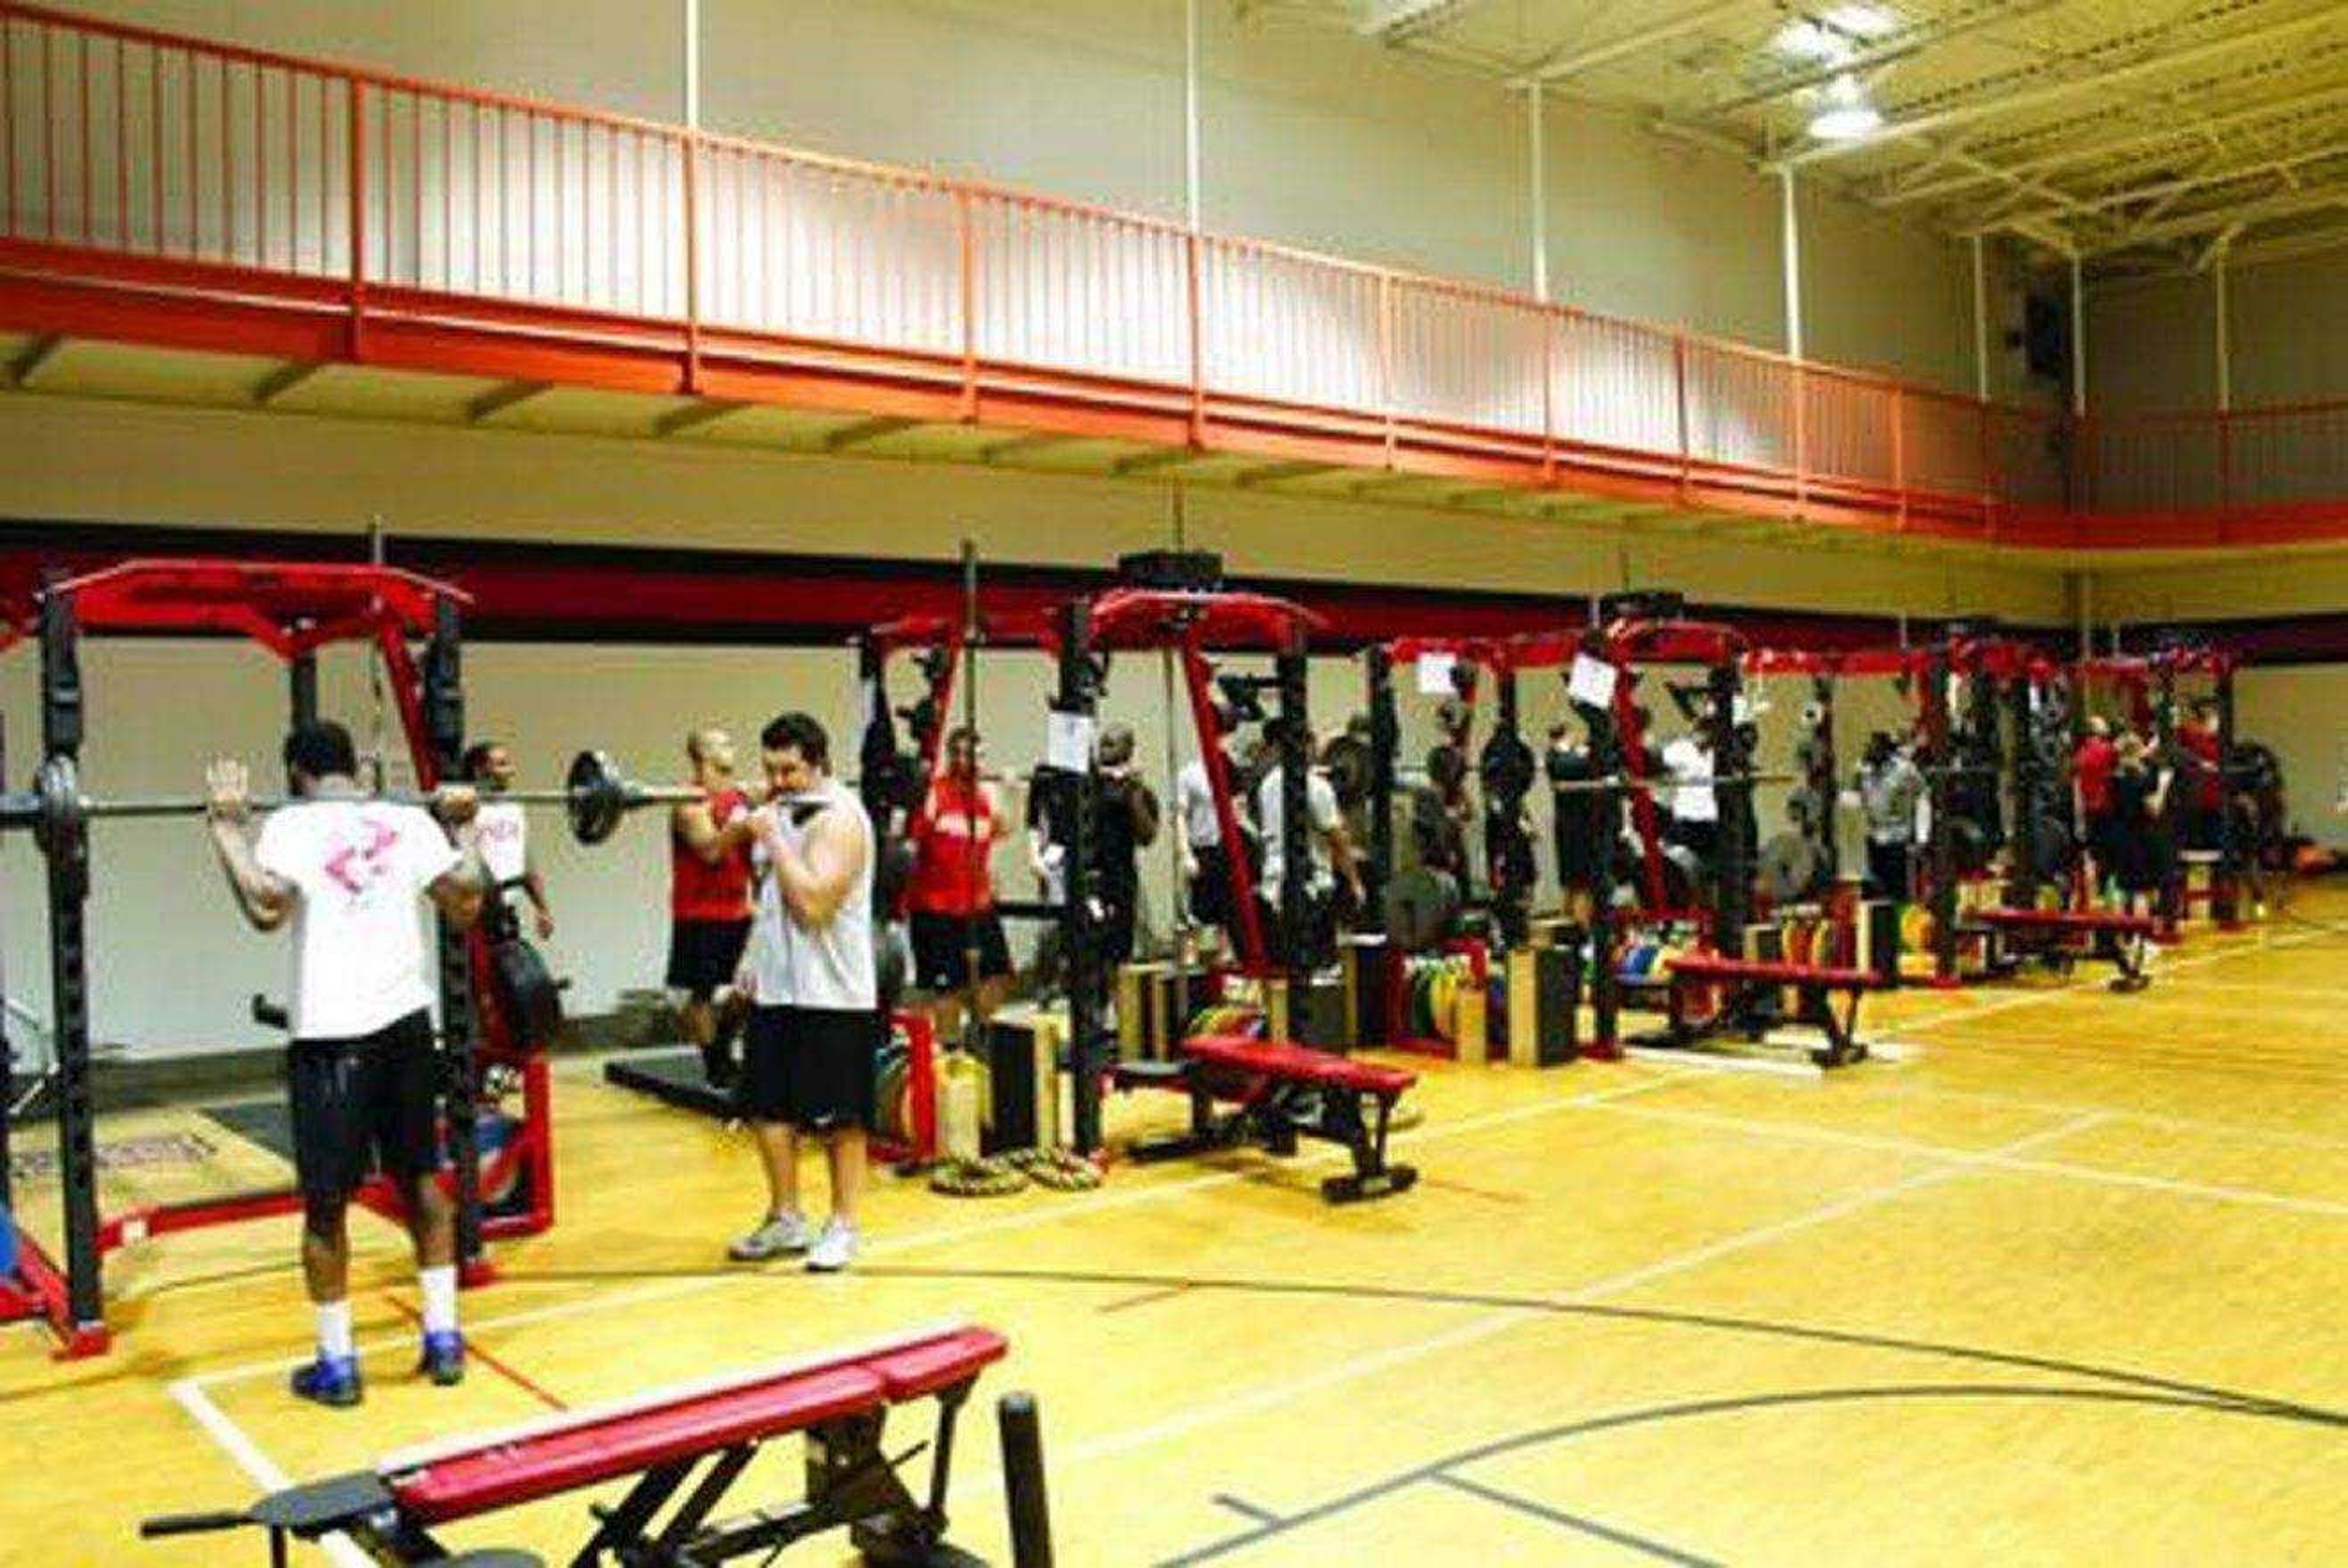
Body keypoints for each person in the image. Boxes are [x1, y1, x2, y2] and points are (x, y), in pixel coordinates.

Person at [204, 720, 489, 1408]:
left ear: (297, 773)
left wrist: (226, 832)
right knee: (422, 1182)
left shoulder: (292, 827)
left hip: (333, 1037)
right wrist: (466, 827)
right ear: (353, 769)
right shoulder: (407, 822)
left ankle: (338, 1365)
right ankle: (444, 1339)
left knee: (327, 1207)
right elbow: (467, 903)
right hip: (408, 1029)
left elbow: (267, 909)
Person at [729, 712, 877, 1273]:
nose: (778, 781)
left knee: (842, 1119)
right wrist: (751, 954)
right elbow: (767, 895)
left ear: (819, 764)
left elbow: (814, 906)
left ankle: (843, 1225)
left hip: (834, 993)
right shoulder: (784, 812)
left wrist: (770, 835)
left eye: (790, 770)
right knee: (768, 1109)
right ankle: (786, 1217)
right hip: (779, 990)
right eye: (770, 769)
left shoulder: (839, 819)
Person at [904, 726, 1013, 1039]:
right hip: (936, 911)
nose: (972, 763)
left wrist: (1011, 791)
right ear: (953, 757)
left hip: (977, 907)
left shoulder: (985, 797)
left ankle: (980, 1039)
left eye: (978, 756)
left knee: (996, 977)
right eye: (965, 755)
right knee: (947, 990)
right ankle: (949, 1051)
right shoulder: (933, 795)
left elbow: (1004, 829)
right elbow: (911, 846)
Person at [668, 727, 760, 1088]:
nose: (731, 748)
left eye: (731, 741)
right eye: (722, 743)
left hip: (740, 909)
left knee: (750, 988)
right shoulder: (688, 802)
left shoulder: (740, 797)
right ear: (701, 754)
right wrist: (748, 819)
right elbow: (710, 849)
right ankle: (715, 1065)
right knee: (702, 993)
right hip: (699, 913)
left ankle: (722, 1043)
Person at [1255, 721, 1363, 966]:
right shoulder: (1316, 787)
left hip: (1272, 888)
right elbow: (1337, 839)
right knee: (1318, 970)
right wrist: (1356, 883)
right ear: (1306, 747)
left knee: (1286, 968)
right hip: (1311, 889)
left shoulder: (1267, 784)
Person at [462, 740, 553, 940]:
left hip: (507, 914)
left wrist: (543, 909)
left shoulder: (514, 809)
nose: (511, 771)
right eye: (502, 764)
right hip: (476, 914)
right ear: (480, 771)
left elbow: (527, 864)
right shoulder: (467, 811)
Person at [1175, 704, 1244, 951]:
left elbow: (1240, 809)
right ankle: (1198, 968)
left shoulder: (1232, 771)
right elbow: (1181, 816)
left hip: (1228, 849)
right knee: (1200, 916)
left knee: (1229, 914)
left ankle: (1226, 961)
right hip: (1202, 850)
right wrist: (1186, 854)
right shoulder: (1190, 773)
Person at [2108, 731, 2173, 919]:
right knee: (2148, 884)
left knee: (2127, 887)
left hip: (2121, 834)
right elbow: (2154, 808)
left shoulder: (2116, 777)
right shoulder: (2140, 779)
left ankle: (2128, 927)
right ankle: (2152, 924)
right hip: (2143, 834)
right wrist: (2163, 786)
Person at [1854, 731, 1926, 900]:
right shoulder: (1864, 770)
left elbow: (1922, 798)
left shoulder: (1905, 770)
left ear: (1886, 751)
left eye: (1876, 748)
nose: (1871, 752)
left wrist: (1922, 836)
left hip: (1898, 838)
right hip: (1875, 837)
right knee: (1875, 891)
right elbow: (1855, 795)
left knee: (1898, 891)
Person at [2072, 716, 2119, 900]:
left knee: (2096, 851)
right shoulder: (2107, 750)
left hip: (2089, 808)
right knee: (2110, 851)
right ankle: (2110, 889)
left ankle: (2099, 889)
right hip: (2107, 806)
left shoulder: (2080, 754)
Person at [1659, 720, 1719, 866]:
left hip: (1709, 819)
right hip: (1685, 817)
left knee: (1709, 866)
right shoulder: (1681, 750)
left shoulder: (1718, 754)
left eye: (1709, 733)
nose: (1704, 737)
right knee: (1675, 861)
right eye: (1702, 732)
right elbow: (1657, 761)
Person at [2177, 701, 2226, 852]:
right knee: (2197, 842)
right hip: (2196, 798)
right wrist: (2200, 764)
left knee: (2214, 841)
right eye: (2214, 718)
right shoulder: (2191, 737)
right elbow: (2177, 751)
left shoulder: (2219, 741)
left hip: (2215, 799)